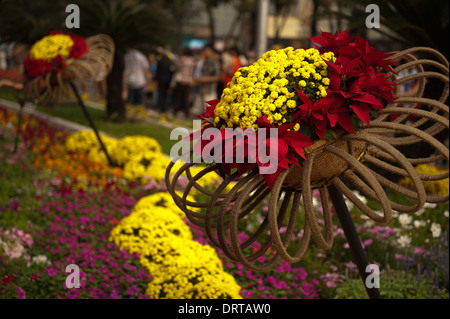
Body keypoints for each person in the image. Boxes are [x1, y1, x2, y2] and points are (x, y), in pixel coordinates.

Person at [194, 44, 221, 115]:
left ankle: (207, 127)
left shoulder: (214, 62)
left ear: (210, 51)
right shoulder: (204, 61)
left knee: (209, 115)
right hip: (201, 90)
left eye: (205, 51)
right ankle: (196, 126)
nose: (204, 52)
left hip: (209, 91)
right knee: (197, 112)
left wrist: (203, 79)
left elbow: (217, 77)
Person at [171, 47, 196, 119]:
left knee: (178, 97)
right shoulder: (192, 60)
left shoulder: (182, 59)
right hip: (188, 81)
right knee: (186, 98)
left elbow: (175, 67)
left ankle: (175, 112)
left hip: (181, 80)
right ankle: (187, 113)